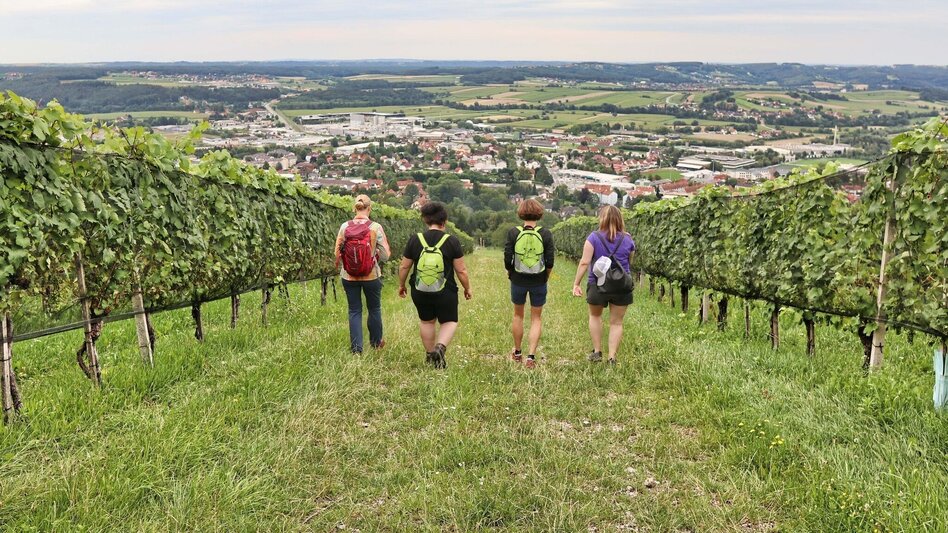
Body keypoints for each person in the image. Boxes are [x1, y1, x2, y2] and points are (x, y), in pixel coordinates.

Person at [398, 202, 472, 369]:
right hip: (446, 291)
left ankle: (431, 355)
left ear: (425, 220)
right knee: (450, 321)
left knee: (426, 322)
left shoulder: (415, 239)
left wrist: (402, 285)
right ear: (444, 221)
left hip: (420, 290)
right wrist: (467, 288)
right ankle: (440, 348)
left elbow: (404, 266)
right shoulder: (451, 241)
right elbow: (461, 271)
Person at [571, 205, 636, 365]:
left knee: (595, 316)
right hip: (621, 285)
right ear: (620, 219)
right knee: (617, 322)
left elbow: (585, 262)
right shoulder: (628, 239)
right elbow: (629, 261)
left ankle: (597, 351)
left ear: (602, 219)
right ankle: (612, 357)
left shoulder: (593, 238)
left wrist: (576, 283)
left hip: (597, 284)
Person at [334, 194, 391, 354]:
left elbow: (337, 253)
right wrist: (374, 256)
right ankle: (375, 343)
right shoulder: (375, 227)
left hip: (349, 276)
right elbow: (386, 255)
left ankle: (356, 349)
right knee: (374, 308)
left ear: (355, 208)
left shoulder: (345, 226)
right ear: (369, 208)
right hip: (371, 275)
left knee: (354, 310)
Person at [504, 198, 555, 369]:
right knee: (536, 318)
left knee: (518, 315)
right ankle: (531, 357)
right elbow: (549, 262)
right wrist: (545, 276)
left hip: (518, 279)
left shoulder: (513, 232)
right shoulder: (545, 234)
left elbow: (507, 258)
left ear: (521, 213)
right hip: (538, 280)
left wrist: (510, 272)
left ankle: (517, 353)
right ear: (539, 213)